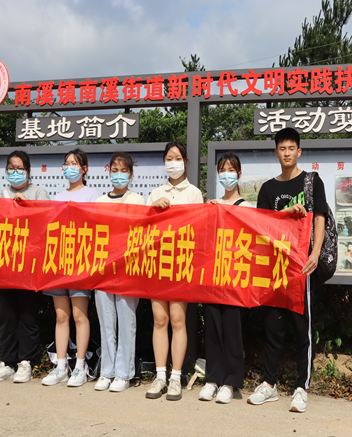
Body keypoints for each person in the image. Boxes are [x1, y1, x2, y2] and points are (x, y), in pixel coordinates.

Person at [247, 127, 327, 414]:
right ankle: (269, 384)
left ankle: (301, 387)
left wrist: (315, 253)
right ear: (276, 152)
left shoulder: (312, 182)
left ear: (299, 151)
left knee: (301, 329)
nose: (287, 153)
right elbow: (262, 225)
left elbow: (320, 218)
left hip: (302, 267)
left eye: (292, 148)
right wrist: (286, 213)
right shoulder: (268, 189)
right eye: (282, 148)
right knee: (272, 328)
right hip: (274, 268)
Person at [145, 142, 203, 401]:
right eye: (169, 158)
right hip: (158, 264)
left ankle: (176, 377)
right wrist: (153, 209)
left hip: (182, 264)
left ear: (186, 162)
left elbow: (199, 228)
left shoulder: (194, 193)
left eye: (177, 157)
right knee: (160, 320)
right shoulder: (155, 192)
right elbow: (143, 227)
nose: (173, 162)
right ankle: (160, 376)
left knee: (178, 320)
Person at [0, 150, 50, 383]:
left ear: (28, 171)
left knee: (28, 315)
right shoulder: (0, 195)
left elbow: (47, 220)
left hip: (30, 266)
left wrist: (28, 205)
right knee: (6, 316)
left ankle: (26, 362)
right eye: (11, 168)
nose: (15, 172)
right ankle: (6, 363)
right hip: (5, 266)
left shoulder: (39, 192)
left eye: (20, 168)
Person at [41, 149, 99, 388]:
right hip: (59, 261)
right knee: (61, 316)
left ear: (84, 169)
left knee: (79, 315)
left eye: (75, 163)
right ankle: (61, 366)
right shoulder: (58, 196)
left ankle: (80, 366)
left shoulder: (93, 195)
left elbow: (97, 228)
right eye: (67, 163)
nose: (70, 167)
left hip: (81, 263)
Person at [201, 153, 251, 404]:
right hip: (212, 275)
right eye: (222, 170)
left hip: (234, 277)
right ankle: (212, 379)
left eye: (231, 170)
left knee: (232, 329)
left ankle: (230, 382)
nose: (226, 175)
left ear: (239, 175)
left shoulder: (248, 207)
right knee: (212, 328)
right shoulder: (213, 205)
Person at [94, 152, 144, 393]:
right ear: (108, 172)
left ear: (131, 174)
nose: (119, 174)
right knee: (106, 321)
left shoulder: (138, 200)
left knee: (126, 322)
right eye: (115, 170)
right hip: (103, 269)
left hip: (128, 270)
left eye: (124, 170)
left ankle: (124, 374)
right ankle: (107, 371)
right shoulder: (100, 202)